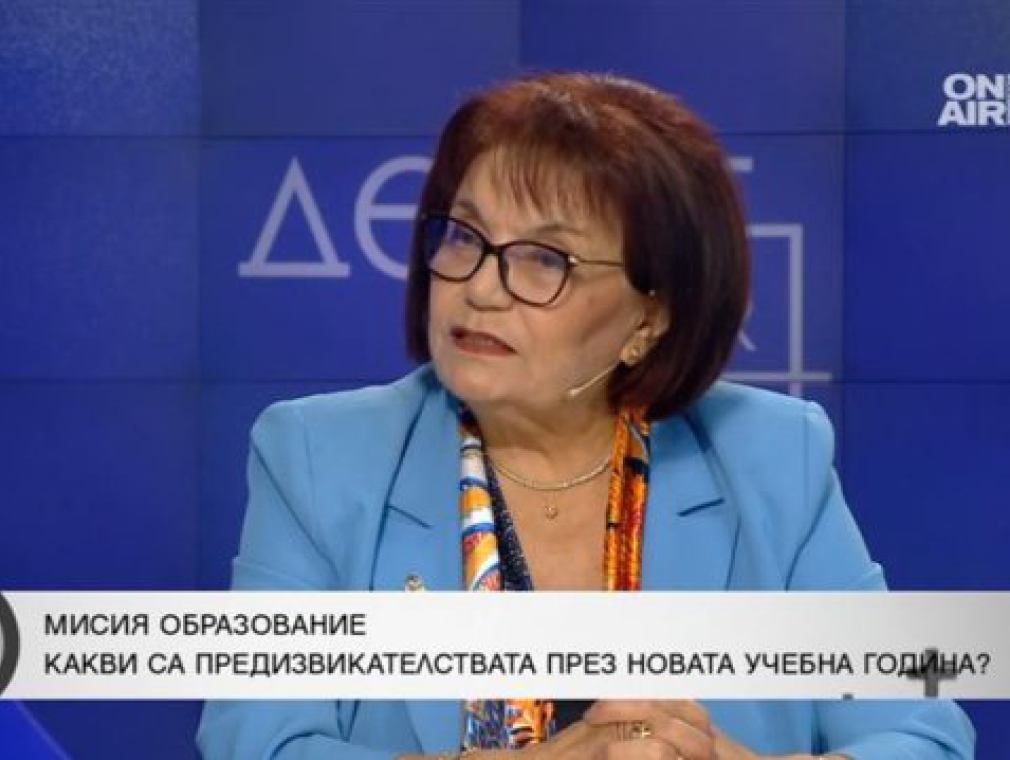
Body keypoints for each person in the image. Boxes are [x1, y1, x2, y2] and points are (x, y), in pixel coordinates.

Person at [197, 73, 975, 759]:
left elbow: (925, 734)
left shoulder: (772, 457)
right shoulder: (319, 456)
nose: (480, 287)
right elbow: (256, 741)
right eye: (465, 236)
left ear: (650, 317)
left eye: (546, 259)